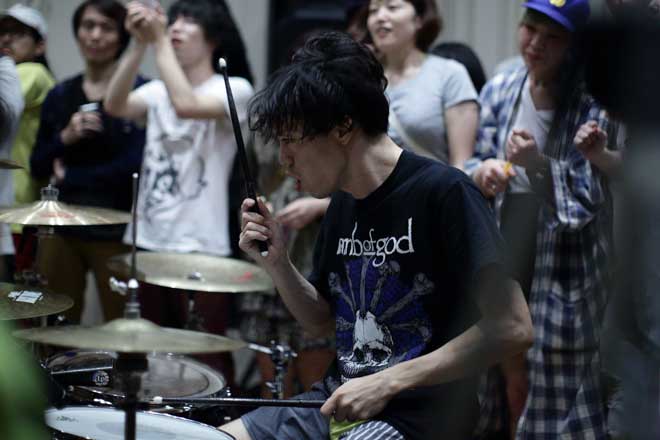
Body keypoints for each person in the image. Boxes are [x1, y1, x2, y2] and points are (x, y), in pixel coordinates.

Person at [220, 31, 533, 440]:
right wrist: (278, 263)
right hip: (339, 401)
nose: (284, 159)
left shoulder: (445, 192)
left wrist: (388, 381)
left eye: (290, 140)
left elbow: (514, 326)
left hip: (421, 417)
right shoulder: (343, 202)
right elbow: (321, 321)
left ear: (344, 126)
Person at [465, 1, 616, 438]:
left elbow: (590, 195)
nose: (536, 44)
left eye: (553, 38)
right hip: (505, 235)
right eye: (530, 30)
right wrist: (483, 171)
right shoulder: (501, 87)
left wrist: (536, 164)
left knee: (556, 378)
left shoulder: (592, 102)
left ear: (574, 46)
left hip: (565, 256)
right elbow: (474, 158)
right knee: (502, 370)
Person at [104, 0, 254, 385]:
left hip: (200, 245)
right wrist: (138, 43)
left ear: (213, 37)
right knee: (146, 351)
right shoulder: (157, 91)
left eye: (189, 21)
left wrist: (158, 42)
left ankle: (216, 415)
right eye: (173, 21)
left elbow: (187, 105)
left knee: (204, 354)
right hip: (147, 239)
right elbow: (114, 105)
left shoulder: (233, 87)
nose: (176, 28)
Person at [30, 0, 146, 323]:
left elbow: (136, 166)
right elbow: (37, 164)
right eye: (88, 26)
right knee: (55, 323)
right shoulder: (60, 94)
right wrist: (65, 138)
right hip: (64, 226)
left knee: (124, 327)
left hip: (119, 230)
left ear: (122, 37)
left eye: (106, 28)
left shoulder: (140, 93)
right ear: (77, 33)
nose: (95, 35)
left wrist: (70, 176)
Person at [362, 0, 479, 168]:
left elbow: (461, 165)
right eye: (373, 10)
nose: (380, 17)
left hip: (433, 184)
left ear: (418, 19)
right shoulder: (363, 76)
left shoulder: (450, 74)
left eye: (392, 7)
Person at [0, 4, 55, 276]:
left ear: (39, 45)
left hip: (16, 204)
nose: (7, 38)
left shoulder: (33, 72)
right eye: (3, 32)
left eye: (18, 33)